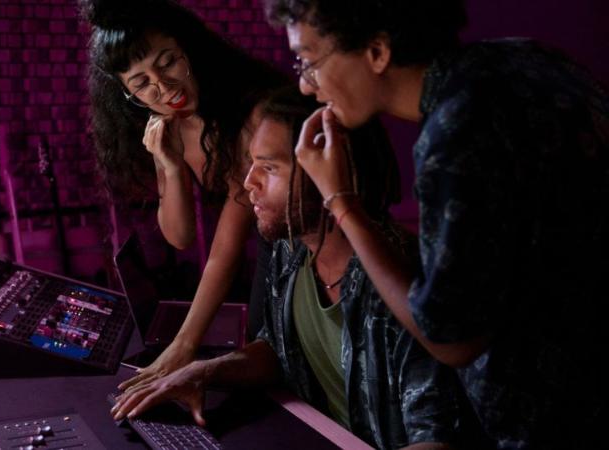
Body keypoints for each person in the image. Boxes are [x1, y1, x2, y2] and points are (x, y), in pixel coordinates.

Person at [264, 0, 609, 447]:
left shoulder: (455, 132)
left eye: (310, 62)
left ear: (377, 51)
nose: (306, 86)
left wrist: (342, 203)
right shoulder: (526, 59)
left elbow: (451, 339)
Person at [111, 87, 484, 450]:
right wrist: (203, 372)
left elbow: (437, 437)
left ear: (330, 172)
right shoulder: (290, 248)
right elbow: (280, 352)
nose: (249, 183)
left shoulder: (399, 280)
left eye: (269, 167)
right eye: (251, 163)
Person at [80, 0, 287, 384]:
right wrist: (171, 166)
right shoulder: (167, 124)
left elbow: (228, 243)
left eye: (168, 62)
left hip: (309, 250)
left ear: (189, 48)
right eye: (141, 83)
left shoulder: (251, 111)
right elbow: (180, 235)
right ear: (128, 95)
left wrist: (184, 343)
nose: (162, 87)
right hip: (269, 245)